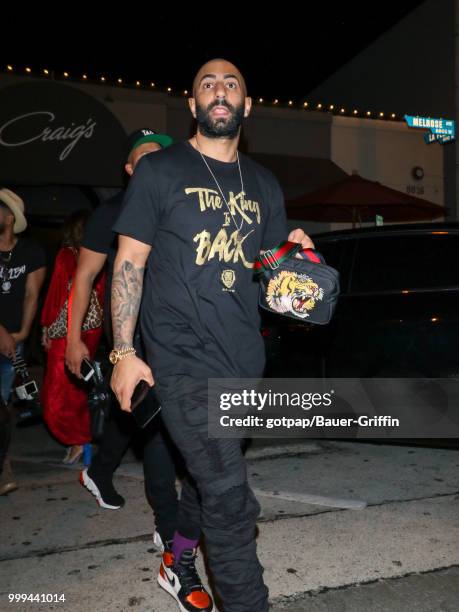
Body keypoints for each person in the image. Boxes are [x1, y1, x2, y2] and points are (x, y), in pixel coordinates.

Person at [110, 59, 314, 612]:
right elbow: (129, 262)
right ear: (193, 104)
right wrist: (124, 352)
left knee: (205, 481)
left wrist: (297, 261)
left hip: (242, 362)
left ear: (247, 106)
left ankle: (176, 561)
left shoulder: (264, 184)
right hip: (179, 360)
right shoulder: (161, 171)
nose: (218, 91)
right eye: (207, 84)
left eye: (231, 84)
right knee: (229, 497)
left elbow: (274, 279)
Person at [65, 130, 212, 612]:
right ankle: (169, 526)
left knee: (139, 418)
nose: (152, 163)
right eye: (142, 157)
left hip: (175, 334)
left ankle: (99, 470)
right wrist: (73, 340)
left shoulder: (181, 204)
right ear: (129, 169)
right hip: (131, 339)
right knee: (155, 432)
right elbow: (85, 277)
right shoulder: (110, 214)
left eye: (159, 156)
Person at [41, 210, 105, 463]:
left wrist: (46, 327)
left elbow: (56, 294)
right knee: (80, 389)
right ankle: (85, 439)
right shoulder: (100, 255)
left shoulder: (67, 255)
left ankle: (78, 440)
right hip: (93, 331)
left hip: (67, 333)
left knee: (55, 395)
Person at [0, 188, 46, 495]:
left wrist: (22, 333)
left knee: (3, 404)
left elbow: (32, 294)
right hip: (3, 336)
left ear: (8, 215)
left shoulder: (31, 252)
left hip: (12, 342)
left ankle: (2, 465)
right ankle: (4, 469)